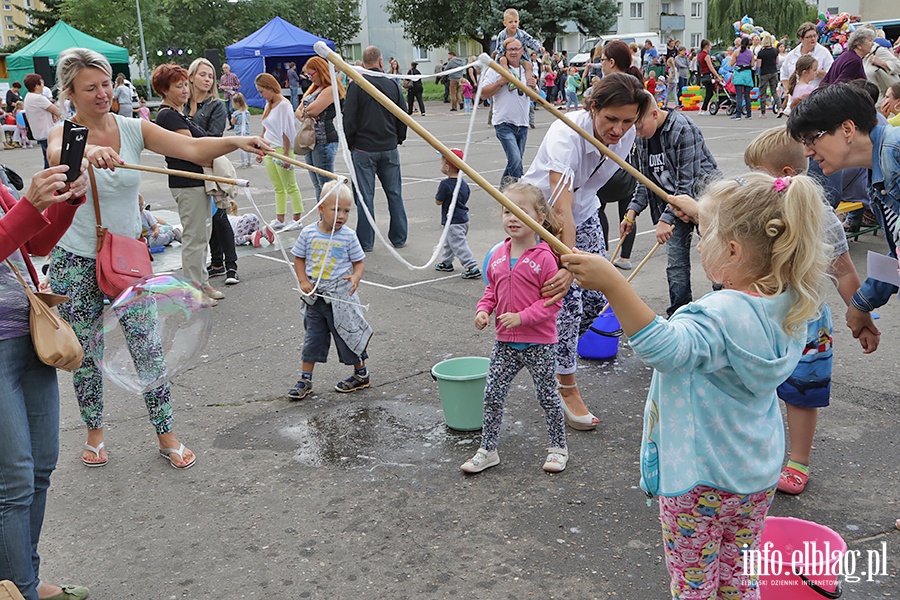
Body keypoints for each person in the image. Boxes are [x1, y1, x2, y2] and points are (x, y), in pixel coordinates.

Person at [563, 170, 829, 599]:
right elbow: (745, 238)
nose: (699, 241)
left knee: (693, 585)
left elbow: (664, 348)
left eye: (704, 234)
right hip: (754, 474)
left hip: (700, 481)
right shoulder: (794, 299)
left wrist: (612, 283)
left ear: (733, 250)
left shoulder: (717, 315)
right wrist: (706, 211)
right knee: (739, 580)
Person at [47, 48, 270, 470]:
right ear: (70, 93)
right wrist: (87, 153)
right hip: (75, 261)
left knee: (148, 349)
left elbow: (192, 149)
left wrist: (238, 139)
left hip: (126, 258)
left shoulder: (133, 127)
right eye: (90, 88)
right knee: (85, 355)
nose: (102, 93)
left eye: (106, 84)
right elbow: (58, 156)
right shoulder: (67, 132)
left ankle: (166, 434)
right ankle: (94, 432)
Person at [743, 126, 877, 496]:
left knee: (803, 391)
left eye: (757, 172)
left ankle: (798, 461)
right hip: (756, 319)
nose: (749, 180)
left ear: (785, 174)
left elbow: (845, 271)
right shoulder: (752, 209)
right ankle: (754, 454)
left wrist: (860, 316)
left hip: (805, 320)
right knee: (751, 389)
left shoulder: (819, 215)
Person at [521, 73, 652, 430]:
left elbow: (579, 201)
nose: (618, 129)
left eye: (627, 121)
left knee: (596, 299)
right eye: (610, 119)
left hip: (583, 209)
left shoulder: (624, 137)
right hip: (544, 216)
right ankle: (565, 384)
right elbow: (559, 207)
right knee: (568, 300)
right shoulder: (566, 134)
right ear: (592, 107)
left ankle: (548, 353)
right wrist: (566, 259)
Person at [1, 165, 91, 600]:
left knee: (40, 467)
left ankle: (24, 579)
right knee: (13, 479)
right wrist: (29, 205)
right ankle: (19, 589)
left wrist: (66, 202)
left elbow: (33, 243)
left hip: (30, 336)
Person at [787, 83, 893, 370]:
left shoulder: (894, 156)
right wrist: (861, 304)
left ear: (847, 129)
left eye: (812, 138)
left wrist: (861, 303)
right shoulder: (879, 167)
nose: (807, 152)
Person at [463, 182, 567, 474]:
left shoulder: (545, 257)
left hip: (539, 343)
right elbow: (491, 291)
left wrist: (522, 317)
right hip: (505, 343)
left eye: (521, 211)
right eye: (507, 210)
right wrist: (483, 311)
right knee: (492, 394)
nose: (512, 217)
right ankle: (488, 449)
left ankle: (558, 448)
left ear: (540, 218)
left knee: (547, 396)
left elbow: (552, 303)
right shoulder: (497, 254)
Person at [622, 96, 719, 317]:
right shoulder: (643, 137)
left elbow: (687, 182)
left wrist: (665, 220)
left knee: (715, 259)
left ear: (655, 114)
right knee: (676, 264)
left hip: (704, 200)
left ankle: (722, 310)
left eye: (638, 127)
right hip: (673, 206)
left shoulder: (682, 129)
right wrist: (632, 212)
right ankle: (680, 313)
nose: (636, 133)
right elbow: (645, 181)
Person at [288, 180, 372, 399]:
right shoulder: (308, 233)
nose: (342, 216)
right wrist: (303, 280)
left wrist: (355, 276)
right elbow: (298, 257)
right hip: (315, 299)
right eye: (336, 210)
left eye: (346, 211)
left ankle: (361, 374)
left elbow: (359, 262)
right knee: (312, 338)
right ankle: (305, 380)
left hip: (341, 298)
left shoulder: (348, 236)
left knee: (348, 334)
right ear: (321, 209)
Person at [151, 64, 228, 299]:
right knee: (194, 238)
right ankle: (194, 289)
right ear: (164, 90)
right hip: (187, 182)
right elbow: (192, 149)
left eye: (186, 84)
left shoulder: (179, 114)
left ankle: (202, 283)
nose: (185, 90)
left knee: (202, 235)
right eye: (178, 86)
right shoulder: (167, 115)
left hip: (197, 181)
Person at [343, 45, 408, 252]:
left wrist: (351, 143)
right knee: (394, 193)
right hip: (388, 146)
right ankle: (399, 237)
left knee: (365, 197)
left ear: (363, 64)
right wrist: (398, 138)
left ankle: (366, 240)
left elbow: (349, 119)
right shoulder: (392, 84)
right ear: (381, 62)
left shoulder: (357, 85)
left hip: (363, 148)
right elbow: (403, 115)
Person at [481, 37, 537, 187]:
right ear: (505, 52)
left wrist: (534, 86)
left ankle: (504, 192)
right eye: (510, 49)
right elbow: (483, 93)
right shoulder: (496, 69)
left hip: (522, 123)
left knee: (515, 161)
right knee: (516, 160)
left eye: (516, 49)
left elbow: (534, 97)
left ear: (522, 51)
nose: (513, 52)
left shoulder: (527, 70)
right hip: (504, 122)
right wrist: (500, 82)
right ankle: (520, 190)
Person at [256, 72, 303, 231]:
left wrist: (285, 154)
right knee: (278, 186)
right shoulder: (268, 104)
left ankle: (297, 219)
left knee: (291, 185)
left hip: (281, 149)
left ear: (270, 88)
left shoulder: (284, 105)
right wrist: (260, 148)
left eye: (262, 91)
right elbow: (265, 128)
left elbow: (287, 131)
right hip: (269, 148)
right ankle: (280, 218)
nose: (261, 95)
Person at [299, 57, 344, 202]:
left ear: (321, 71)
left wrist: (307, 112)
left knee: (326, 186)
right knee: (318, 186)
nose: (310, 79)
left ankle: (329, 219)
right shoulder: (315, 89)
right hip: (310, 140)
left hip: (324, 140)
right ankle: (323, 220)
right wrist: (307, 112)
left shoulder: (330, 89)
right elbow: (299, 112)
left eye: (312, 75)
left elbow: (311, 110)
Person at [432, 148, 480, 279]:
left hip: (453, 221)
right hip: (463, 219)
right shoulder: (463, 184)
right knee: (449, 242)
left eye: (442, 163)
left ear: (447, 167)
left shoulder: (445, 184)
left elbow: (438, 201)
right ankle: (446, 262)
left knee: (458, 244)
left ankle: (471, 266)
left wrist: (439, 196)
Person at [780, 22, 833, 94]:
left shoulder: (824, 53)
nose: (813, 39)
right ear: (801, 39)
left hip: (816, 95)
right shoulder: (792, 55)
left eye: (815, 36)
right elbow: (784, 74)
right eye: (809, 37)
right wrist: (788, 90)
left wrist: (816, 72)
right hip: (796, 96)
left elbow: (832, 74)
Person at [23, 74, 61, 169]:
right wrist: (55, 113)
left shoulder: (28, 97)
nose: (43, 86)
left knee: (47, 158)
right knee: (52, 160)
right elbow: (57, 111)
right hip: (47, 133)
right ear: (37, 86)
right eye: (42, 83)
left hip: (40, 133)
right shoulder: (38, 98)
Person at [494, 7, 542, 72]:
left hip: (521, 58)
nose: (513, 24)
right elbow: (498, 50)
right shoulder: (502, 35)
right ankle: (507, 75)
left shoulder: (522, 34)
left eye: (515, 22)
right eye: (510, 22)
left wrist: (539, 48)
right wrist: (505, 43)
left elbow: (531, 41)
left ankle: (530, 80)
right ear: (505, 23)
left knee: (528, 65)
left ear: (518, 22)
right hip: (506, 57)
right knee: (502, 60)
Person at [729, 37, 755, 119]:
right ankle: (749, 113)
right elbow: (752, 65)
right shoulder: (751, 53)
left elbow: (731, 63)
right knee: (747, 95)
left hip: (739, 73)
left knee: (739, 95)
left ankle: (738, 114)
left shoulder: (736, 52)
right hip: (747, 74)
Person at [756, 35, 781, 117]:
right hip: (773, 72)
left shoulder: (761, 53)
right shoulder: (775, 51)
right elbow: (777, 62)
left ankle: (763, 112)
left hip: (764, 73)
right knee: (774, 91)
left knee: (763, 92)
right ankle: (780, 108)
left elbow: (759, 65)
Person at [696, 40, 721, 115]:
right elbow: (711, 67)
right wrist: (717, 76)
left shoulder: (700, 55)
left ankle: (703, 109)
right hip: (708, 75)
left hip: (703, 75)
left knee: (709, 92)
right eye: (710, 46)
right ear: (706, 46)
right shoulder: (706, 56)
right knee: (709, 93)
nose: (710, 47)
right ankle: (703, 109)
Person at [231, 92, 252, 168]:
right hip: (246, 130)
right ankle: (249, 161)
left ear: (237, 103)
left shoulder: (236, 113)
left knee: (241, 147)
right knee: (249, 146)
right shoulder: (247, 112)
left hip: (239, 131)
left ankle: (243, 163)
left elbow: (233, 122)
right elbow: (248, 120)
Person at [219, 63, 241, 130]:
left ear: (229, 68)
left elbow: (238, 85)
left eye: (226, 68)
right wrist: (222, 87)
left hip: (233, 95)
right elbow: (220, 86)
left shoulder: (233, 76)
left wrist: (231, 88)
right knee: (228, 111)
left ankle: (235, 123)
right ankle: (231, 125)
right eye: (224, 68)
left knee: (231, 109)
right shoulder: (222, 77)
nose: (225, 69)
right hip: (226, 96)